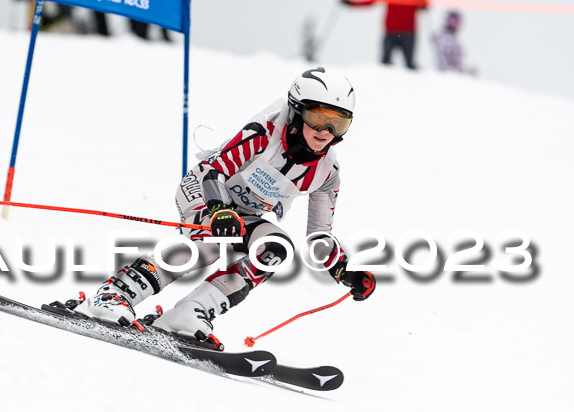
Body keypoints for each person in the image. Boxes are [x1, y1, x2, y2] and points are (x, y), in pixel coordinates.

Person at [70, 67, 376, 342]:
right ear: (297, 112)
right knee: (209, 246)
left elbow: (318, 236)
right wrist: (219, 209)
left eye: (338, 123)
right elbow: (217, 171)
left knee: (276, 248)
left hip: (243, 212)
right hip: (205, 189)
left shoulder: (327, 173)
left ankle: (189, 312)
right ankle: (113, 294)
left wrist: (343, 269)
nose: (326, 132)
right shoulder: (265, 133)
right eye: (318, 118)